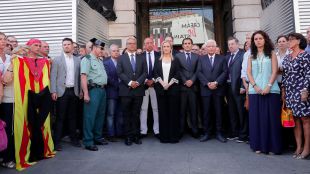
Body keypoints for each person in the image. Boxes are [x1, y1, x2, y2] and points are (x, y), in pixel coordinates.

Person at [7, 38, 55, 170]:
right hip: (26, 96)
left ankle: (41, 150)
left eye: (40, 45)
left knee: (41, 122)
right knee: (25, 122)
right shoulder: (19, 60)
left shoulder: (45, 61)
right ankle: (25, 154)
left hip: (41, 95)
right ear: (29, 46)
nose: (38, 47)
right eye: (35, 45)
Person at [247, 30, 282, 154]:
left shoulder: (272, 54)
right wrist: (255, 86)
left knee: (271, 119)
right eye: (255, 39)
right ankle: (258, 146)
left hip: (271, 90)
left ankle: (273, 147)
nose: (258, 41)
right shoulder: (251, 55)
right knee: (256, 119)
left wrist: (268, 86)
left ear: (265, 39)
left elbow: (274, 71)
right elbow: (249, 73)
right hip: (254, 91)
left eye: (260, 38)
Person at [282, 33, 310, 159]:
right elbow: (285, 76)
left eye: (291, 39)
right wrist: (284, 92)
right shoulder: (287, 58)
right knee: (295, 120)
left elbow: (308, 74)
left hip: (302, 91)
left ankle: (307, 148)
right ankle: (298, 147)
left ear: (298, 41)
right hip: (290, 92)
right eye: (288, 40)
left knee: (305, 119)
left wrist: (305, 90)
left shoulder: (305, 55)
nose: (289, 41)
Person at [50, 38, 81, 151]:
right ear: (62, 46)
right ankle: (56, 142)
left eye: (68, 44)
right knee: (60, 117)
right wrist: (53, 91)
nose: (66, 46)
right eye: (64, 44)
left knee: (73, 117)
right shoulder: (57, 60)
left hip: (74, 91)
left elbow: (79, 77)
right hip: (61, 92)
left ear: (73, 46)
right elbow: (53, 76)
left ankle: (74, 139)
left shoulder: (77, 60)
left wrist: (80, 91)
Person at [117, 36, 147, 146]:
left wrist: (138, 82)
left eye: (134, 43)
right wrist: (130, 82)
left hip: (138, 91)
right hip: (126, 91)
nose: (132, 45)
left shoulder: (141, 57)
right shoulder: (121, 58)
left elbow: (145, 72)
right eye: (129, 43)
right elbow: (119, 73)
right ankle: (128, 137)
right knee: (126, 115)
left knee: (136, 114)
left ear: (136, 45)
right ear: (126, 45)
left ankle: (136, 136)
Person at [198, 39, 228, 143]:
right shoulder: (201, 59)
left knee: (218, 112)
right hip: (205, 90)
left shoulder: (222, 58)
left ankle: (219, 133)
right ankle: (207, 133)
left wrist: (216, 83)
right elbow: (199, 73)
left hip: (218, 89)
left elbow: (225, 72)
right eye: (209, 46)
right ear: (205, 48)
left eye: (212, 46)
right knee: (206, 112)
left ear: (216, 48)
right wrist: (207, 83)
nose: (211, 48)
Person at [80, 40, 108, 151]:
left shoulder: (99, 60)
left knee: (100, 116)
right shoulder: (87, 59)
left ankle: (97, 137)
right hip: (93, 90)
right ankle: (88, 141)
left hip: (102, 90)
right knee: (90, 117)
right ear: (94, 48)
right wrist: (86, 93)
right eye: (101, 48)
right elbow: (83, 77)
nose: (102, 51)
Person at [154, 40, 181, 143]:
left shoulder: (176, 60)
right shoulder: (158, 60)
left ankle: (173, 137)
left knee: (173, 113)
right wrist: (162, 83)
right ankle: (164, 137)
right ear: (162, 48)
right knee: (163, 113)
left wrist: (169, 84)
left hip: (173, 90)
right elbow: (155, 74)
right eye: (164, 46)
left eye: (167, 46)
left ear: (171, 48)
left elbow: (178, 74)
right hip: (161, 90)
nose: (166, 48)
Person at [176, 38, 200, 138]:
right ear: (182, 45)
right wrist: (185, 80)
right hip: (182, 87)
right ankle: (181, 131)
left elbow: (198, 70)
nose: (187, 45)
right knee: (182, 111)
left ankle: (195, 131)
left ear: (191, 45)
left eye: (189, 43)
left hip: (193, 87)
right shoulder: (177, 56)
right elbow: (178, 70)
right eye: (185, 43)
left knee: (193, 110)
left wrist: (192, 80)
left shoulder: (197, 56)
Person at [225, 36, 247, 143]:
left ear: (238, 45)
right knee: (232, 111)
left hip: (239, 88)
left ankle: (243, 135)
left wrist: (243, 86)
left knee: (241, 112)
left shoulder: (243, 55)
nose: (230, 46)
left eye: (232, 44)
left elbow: (245, 71)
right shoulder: (227, 57)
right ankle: (235, 133)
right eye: (229, 44)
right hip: (229, 88)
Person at [140, 37, 160, 138]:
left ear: (153, 44)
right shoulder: (140, 56)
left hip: (156, 85)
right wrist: (145, 81)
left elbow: (160, 71)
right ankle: (143, 130)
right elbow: (139, 71)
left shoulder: (159, 55)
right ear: (144, 45)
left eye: (150, 43)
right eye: (146, 43)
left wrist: (154, 80)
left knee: (156, 109)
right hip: (143, 85)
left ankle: (157, 130)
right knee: (143, 109)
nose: (149, 44)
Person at [0, 32, 15, 169]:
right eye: (0, 39)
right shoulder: (12, 61)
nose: (3, 41)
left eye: (4, 39)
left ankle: (7, 157)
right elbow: (5, 79)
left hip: (8, 99)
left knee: (7, 129)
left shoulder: (11, 58)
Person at [103, 44, 123, 142]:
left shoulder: (122, 61)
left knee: (120, 113)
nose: (116, 52)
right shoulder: (106, 62)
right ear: (110, 52)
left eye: (117, 50)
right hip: (111, 92)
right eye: (114, 51)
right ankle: (110, 134)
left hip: (122, 92)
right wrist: (119, 85)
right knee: (110, 114)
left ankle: (119, 133)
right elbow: (107, 78)